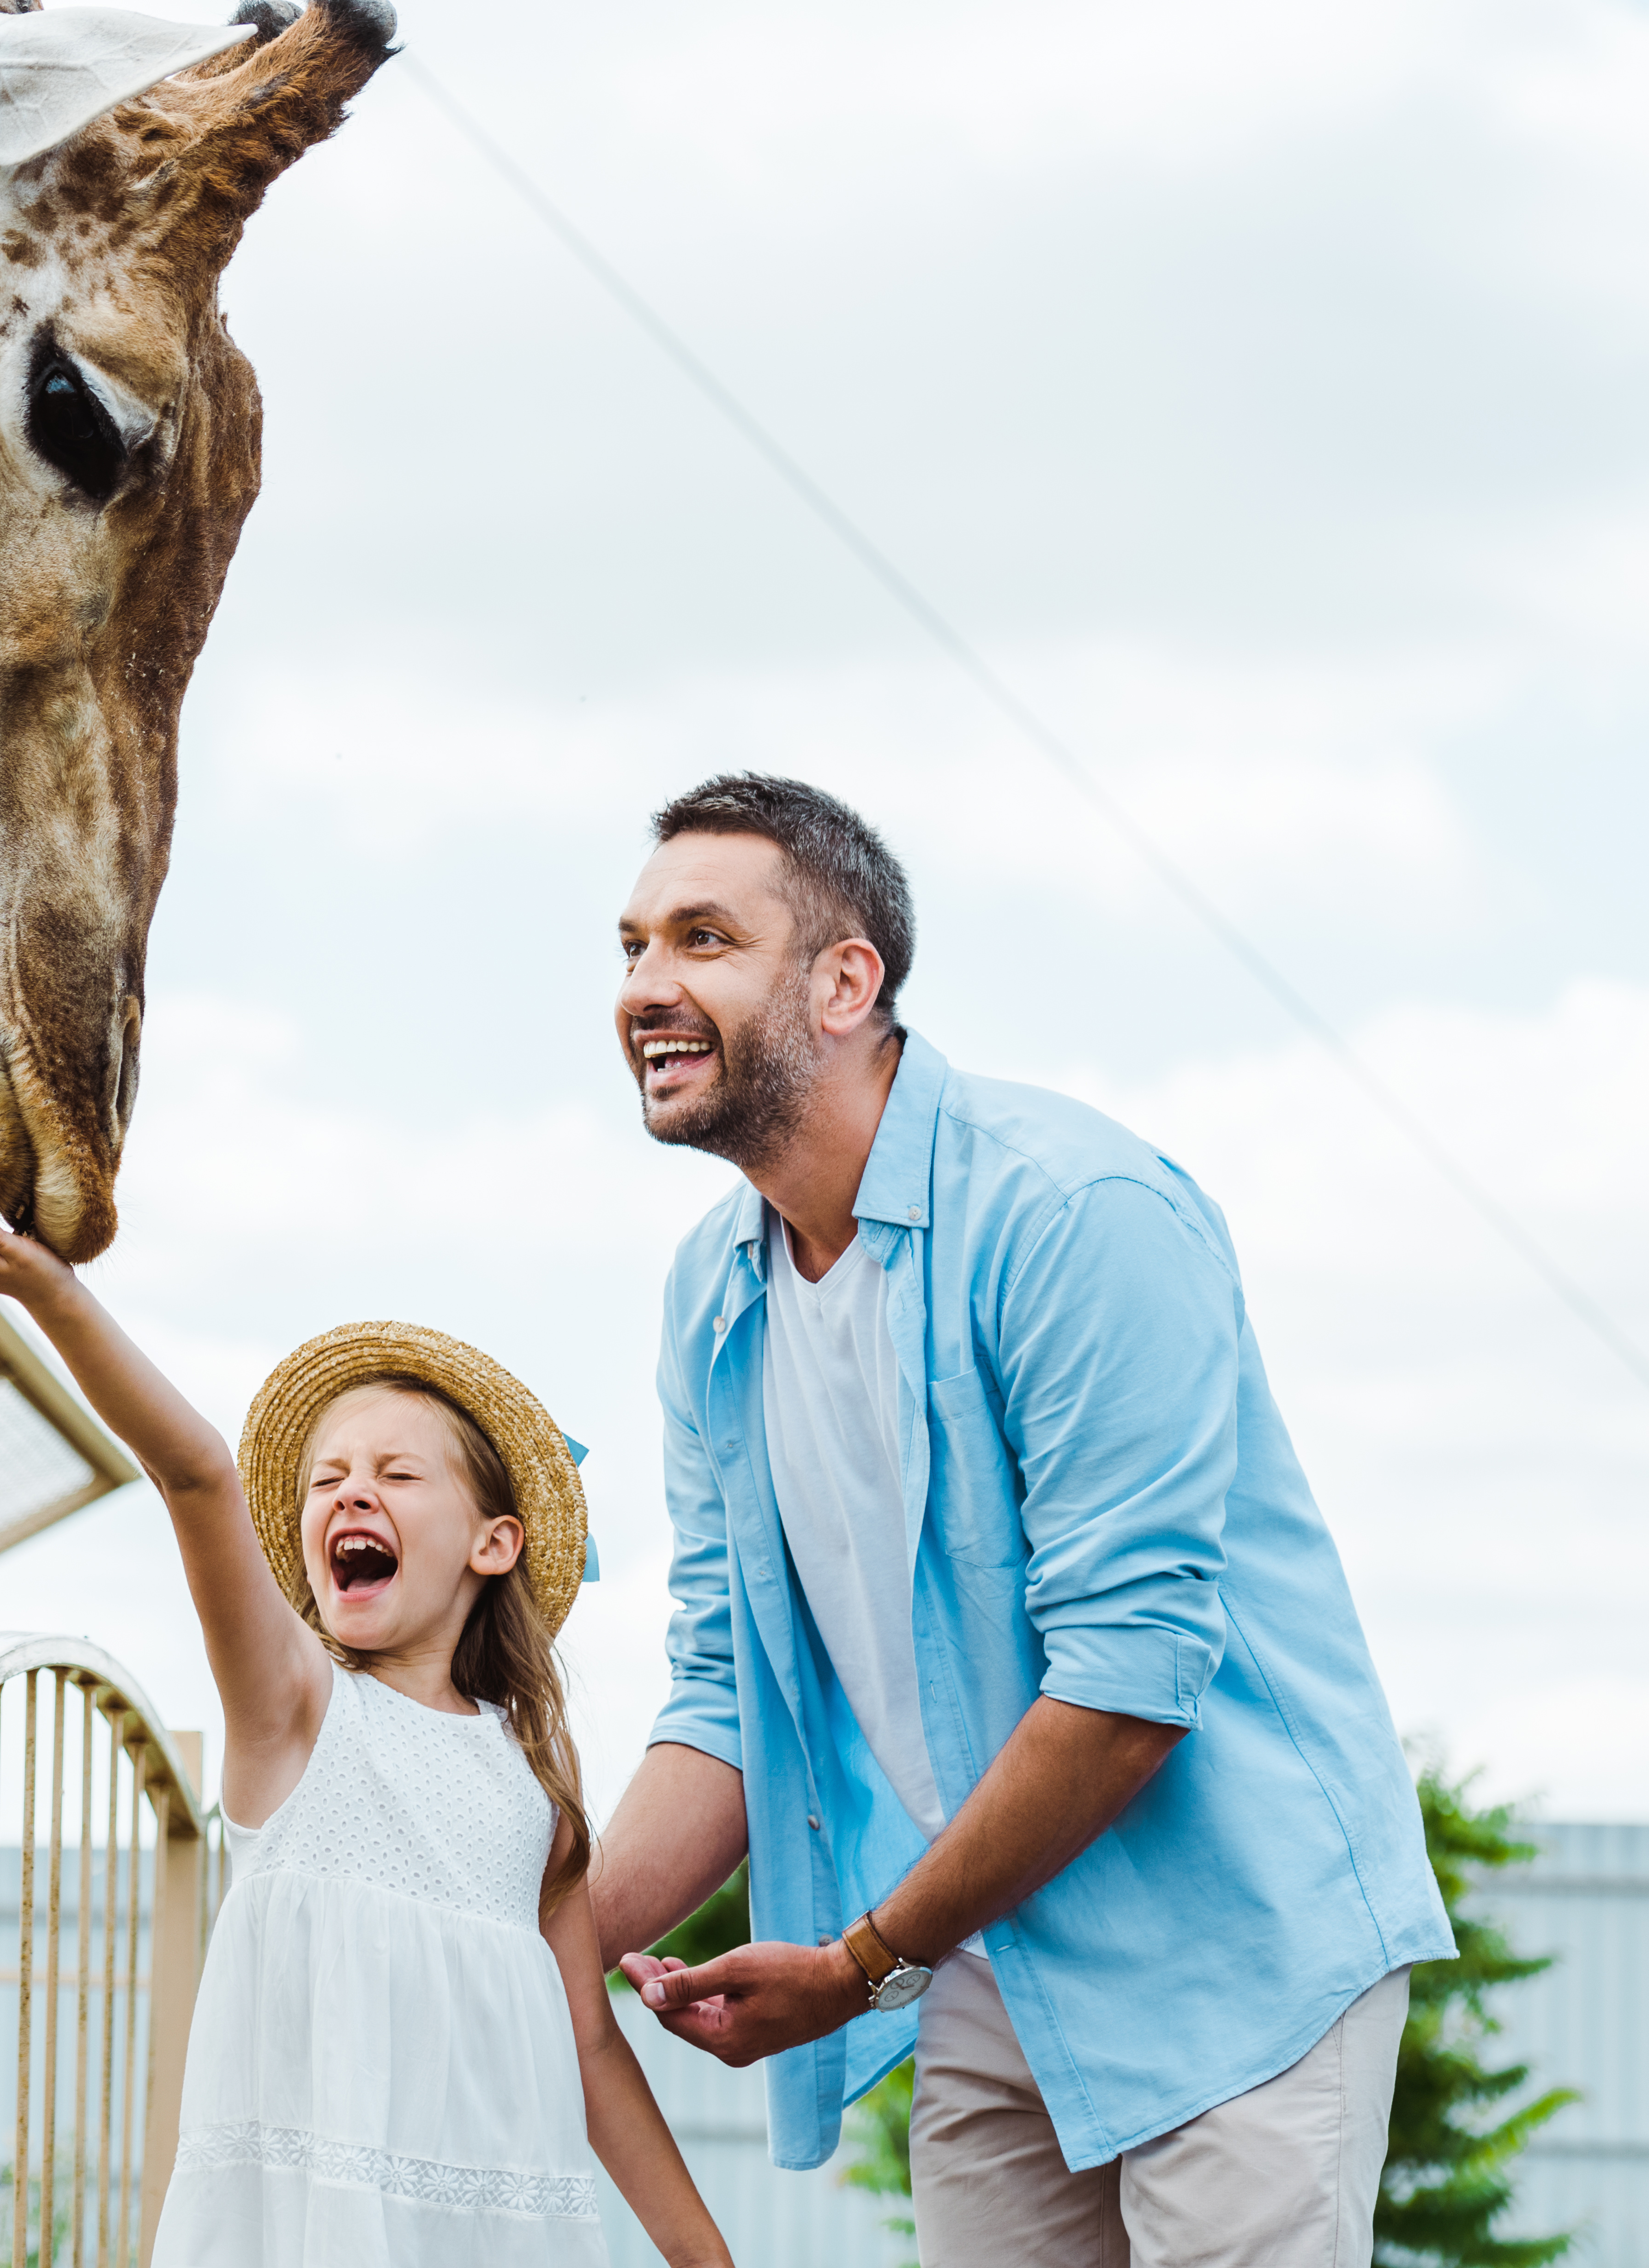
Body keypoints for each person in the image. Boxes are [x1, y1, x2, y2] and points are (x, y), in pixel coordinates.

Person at [593, 773, 1452, 2267]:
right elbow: (728, 1686)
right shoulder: (711, 1296)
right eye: (631, 947)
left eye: (703, 938)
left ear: (846, 982)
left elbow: (1127, 1685)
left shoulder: (1075, 1214)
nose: (647, 988)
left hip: (1231, 1941)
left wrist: (865, 1963)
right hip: (990, 1948)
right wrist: (537, 1935)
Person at [0, 1199, 736, 2268]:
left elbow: (586, 2040)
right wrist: (55, 1295)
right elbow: (196, 1470)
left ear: (494, 1541)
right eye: (326, 1478)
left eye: (396, 1474)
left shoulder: (533, 1765)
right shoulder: (294, 1712)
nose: (351, 1489)